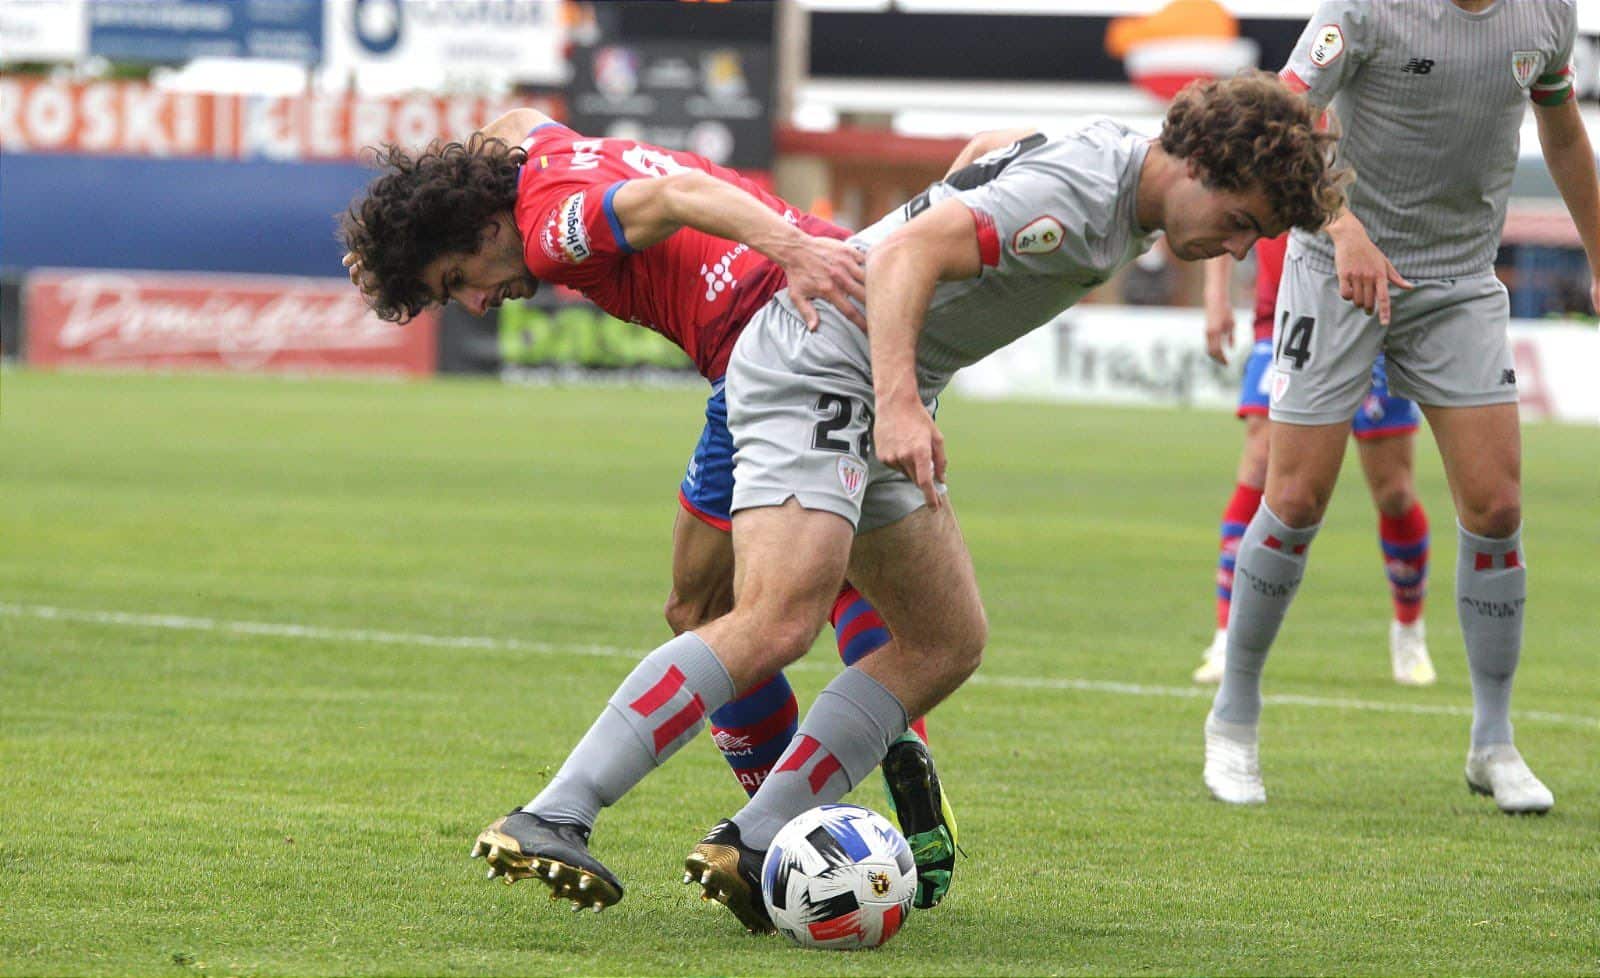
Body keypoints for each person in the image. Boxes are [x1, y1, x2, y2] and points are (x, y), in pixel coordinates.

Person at [481, 72, 1344, 932]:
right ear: (1203, 166)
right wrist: (897, 400)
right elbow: (906, 252)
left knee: (944, 639)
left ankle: (756, 838)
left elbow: (981, 164)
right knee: (778, 618)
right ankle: (556, 813)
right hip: (817, 364)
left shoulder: (1114, 174)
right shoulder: (1086, 191)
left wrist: (906, 378)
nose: (1237, 250)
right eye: (1242, 224)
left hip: (874, 377)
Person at [340, 110, 995, 907]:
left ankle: (744, 827)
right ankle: (849, 777)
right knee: (833, 578)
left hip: (772, 334)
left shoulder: (550, 231)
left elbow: (679, 194)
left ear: (480, 226)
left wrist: (793, 252)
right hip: (821, 324)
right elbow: (509, 124)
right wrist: (392, 247)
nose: (477, 304)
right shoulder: (539, 151)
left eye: (456, 281)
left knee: (720, 610)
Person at [1203, 0, 1599, 813]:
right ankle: (1233, 713)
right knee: (1296, 498)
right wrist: (1340, 225)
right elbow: (1286, 114)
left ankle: (1493, 742)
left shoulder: (1547, 16)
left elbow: (1561, 132)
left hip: (1459, 281)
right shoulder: (1365, 9)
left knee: (1495, 507)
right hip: (1335, 267)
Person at [1193, 235, 1433, 687]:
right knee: (1261, 460)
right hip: (1284, 315)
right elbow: (1226, 186)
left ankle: (1408, 629)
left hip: (1367, 310)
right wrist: (1215, 296)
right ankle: (1228, 632)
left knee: (1394, 490)